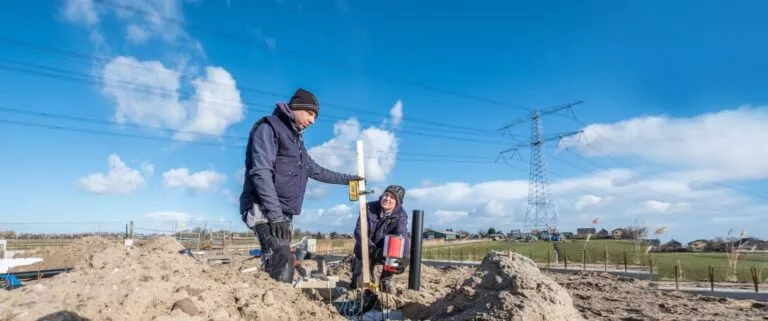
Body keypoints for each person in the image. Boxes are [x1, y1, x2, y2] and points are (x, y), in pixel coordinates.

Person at [239, 88, 363, 283]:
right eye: (310, 113)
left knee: (281, 260)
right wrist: (275, 215)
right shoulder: (269, 128)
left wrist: (349, 179)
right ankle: (273, 307)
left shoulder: (297, 141)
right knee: (281, 258)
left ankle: (273, 301)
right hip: (264, 209)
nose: (313, 120)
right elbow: (261, 172)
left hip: (282, 213)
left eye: (315, 116)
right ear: (296, 107)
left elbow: (318, 171)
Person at [350, 185, 410, 292]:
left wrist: (404, 260)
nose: (387, 198)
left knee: (396, 246)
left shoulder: (401, 215)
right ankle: (357, 273)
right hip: (365, 250)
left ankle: (385, 280)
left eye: (392, 197)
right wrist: (373, 250)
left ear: (397, 202)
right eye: (386, 194)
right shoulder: (368, 208)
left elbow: (403, 236)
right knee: (362, 287)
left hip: (384, 252)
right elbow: (359, 232)